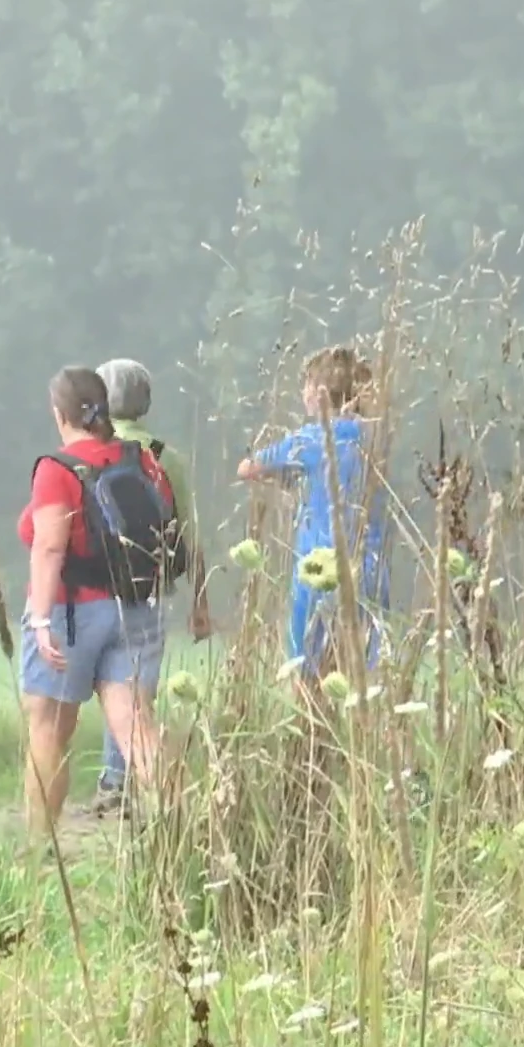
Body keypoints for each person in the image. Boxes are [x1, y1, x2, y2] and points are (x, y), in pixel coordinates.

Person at [19, 367, 178, 836]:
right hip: (136, 607)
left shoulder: (57, 468)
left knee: (49, 728)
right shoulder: (145, 461)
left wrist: (41, 619)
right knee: (138, 730)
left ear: (59, 413)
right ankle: (187, 832)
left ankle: (39, 845)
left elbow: (49, 546)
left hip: (72, 611)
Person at [89, 358, 212, 818]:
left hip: (89, 588)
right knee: (133, 687)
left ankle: (63, 786)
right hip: (147, 587)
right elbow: (189, 534)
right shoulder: (165, 455)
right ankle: (118, 782)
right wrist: (200, 602)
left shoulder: (85, 450)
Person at [237, 346, 392, 684]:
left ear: (319, 394)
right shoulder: (373, 439)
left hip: (318, 570)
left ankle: (310, 734)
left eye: (306, 384)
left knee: (308, 674)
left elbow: (248, 468)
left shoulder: (307, 440)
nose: (301, 393)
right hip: (370, 569)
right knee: (362, 676)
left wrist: (287, 480)